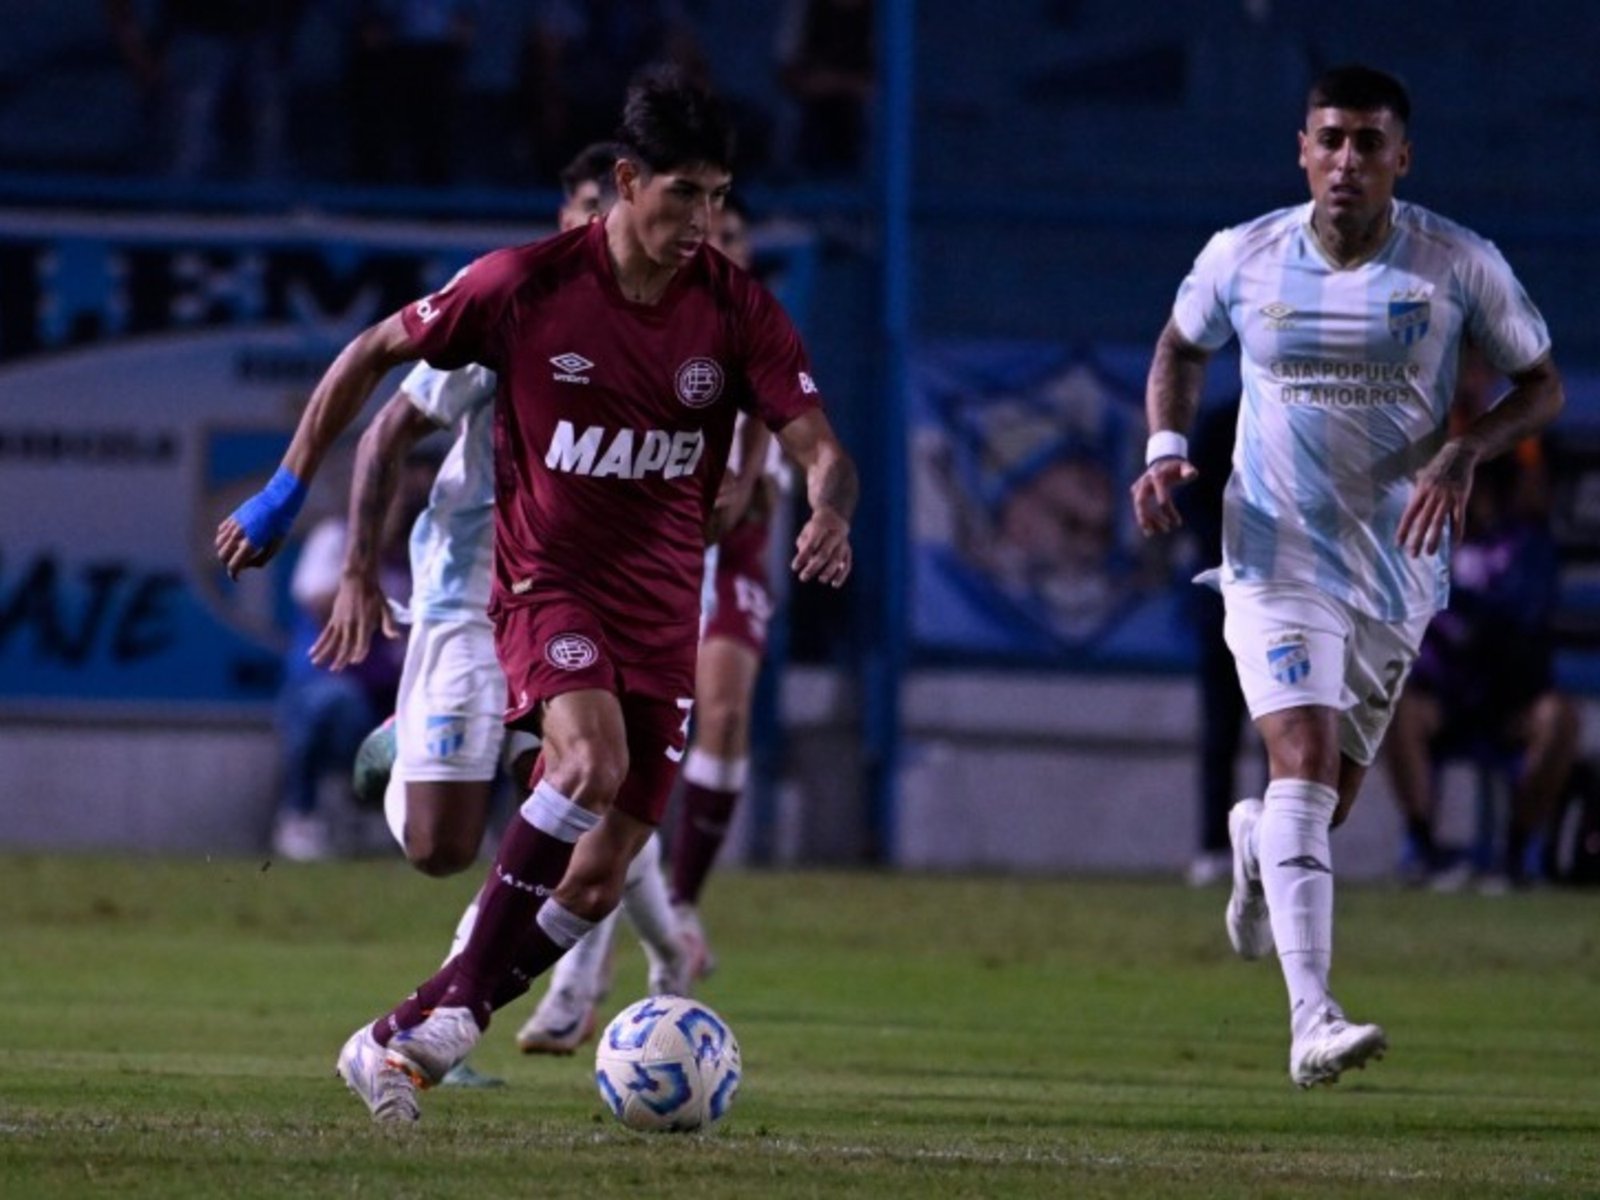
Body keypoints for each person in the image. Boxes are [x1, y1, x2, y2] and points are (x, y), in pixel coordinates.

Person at [215, 66, 857, 1123]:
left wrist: (830, 509)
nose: (703, 220)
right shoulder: (523, 286)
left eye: (718, 196)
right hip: (538, 583)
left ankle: (401, 1036)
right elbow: (375, 354)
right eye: (683, 194)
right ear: (625, 181)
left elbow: (818, 446)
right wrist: (286, 492)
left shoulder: (735, 310)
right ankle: (461, 1010)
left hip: (661, 613)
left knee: (597, 881)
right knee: (583, 766)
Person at [1130, 64, 1564, 1087]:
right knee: (1304, 751)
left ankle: (1251, 842)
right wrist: (1160, 447)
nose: (1346, 161)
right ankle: (1310, 1017)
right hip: (1272, 552)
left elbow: (1540, 384)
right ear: (1300, 149)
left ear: (1400, 159)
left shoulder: (1456, 265)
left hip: (1395, 570)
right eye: (1329, 139)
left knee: (1319, 798)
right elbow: (1179, 346)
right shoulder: (1243, 256)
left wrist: (1467, 448)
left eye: (1369, 143)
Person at [515, 197, 782, 1051]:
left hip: (717, 556)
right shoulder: (619, 311)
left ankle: (651, 929)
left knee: (713, 719)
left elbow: (781, 432)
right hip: (622, 562)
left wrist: (761, 477)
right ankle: (631, 959)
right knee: (598, 778)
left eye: (732, 233)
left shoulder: (746, 321)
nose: (715, 244)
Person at [1383, 450, 1580, 889]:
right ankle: (1422, 847)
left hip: (1507, 697)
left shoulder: (1526, 545)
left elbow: (1518, 621)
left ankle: (1517, 851)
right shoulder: (1427, 539)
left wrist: (1461, 615)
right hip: (1445, 694)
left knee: (1560, 718)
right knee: (1393, 707)